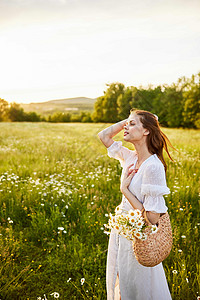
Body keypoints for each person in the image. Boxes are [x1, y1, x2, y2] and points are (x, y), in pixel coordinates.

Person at [97, 109, 173, 300]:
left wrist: (125, 190)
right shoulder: (130, 157)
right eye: (126, 124)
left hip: (140, 236)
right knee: (124, 283)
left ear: (146, 131)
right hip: (123, 232)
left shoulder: (153, 166)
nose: (126, 127)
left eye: (132, 124)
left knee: (140, 288)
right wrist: (131, 120)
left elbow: (152, 217)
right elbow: (103, 135)